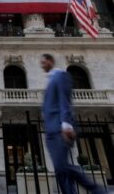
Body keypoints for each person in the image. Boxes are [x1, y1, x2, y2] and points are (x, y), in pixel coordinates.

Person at [40, 53, 108, 194]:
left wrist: (66, 124)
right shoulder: (50, 80)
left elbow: (65, 100)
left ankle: (98, 190)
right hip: (50, 131)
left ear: (51, 61)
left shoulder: (61, 76)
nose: (42, 65)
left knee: (62, 166)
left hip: (60, 128)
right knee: (59, 170)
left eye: (44, 62)